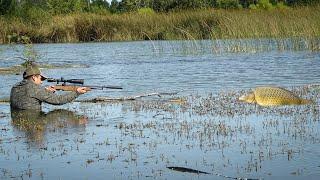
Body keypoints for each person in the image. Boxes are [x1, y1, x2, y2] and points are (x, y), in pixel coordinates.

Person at [10, 63, 89, 110]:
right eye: (41, 79)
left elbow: (28, 95)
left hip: (18, 121)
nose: (41, 82)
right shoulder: (37, 89)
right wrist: (77, 92)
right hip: (34, 119)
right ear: (34, 77)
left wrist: (45, 90)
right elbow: (58, 100)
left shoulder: (14, 87)